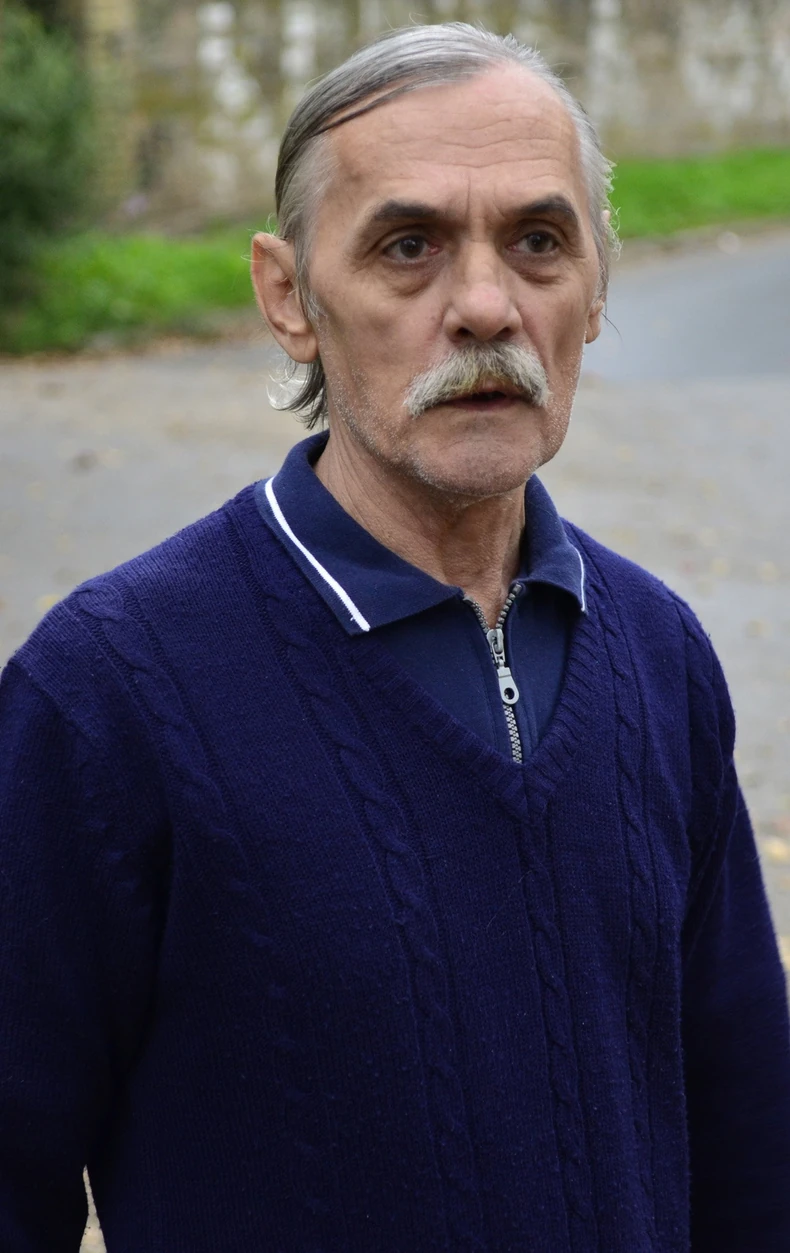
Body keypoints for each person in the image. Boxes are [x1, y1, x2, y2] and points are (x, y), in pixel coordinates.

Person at [1, 21, 789, 1253]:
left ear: (594, 290)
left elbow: (748, 1145)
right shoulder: (107, 693)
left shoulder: (655, 652)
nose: (484, 306)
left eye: (538, 241)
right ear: (288, 296)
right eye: (407, 245)